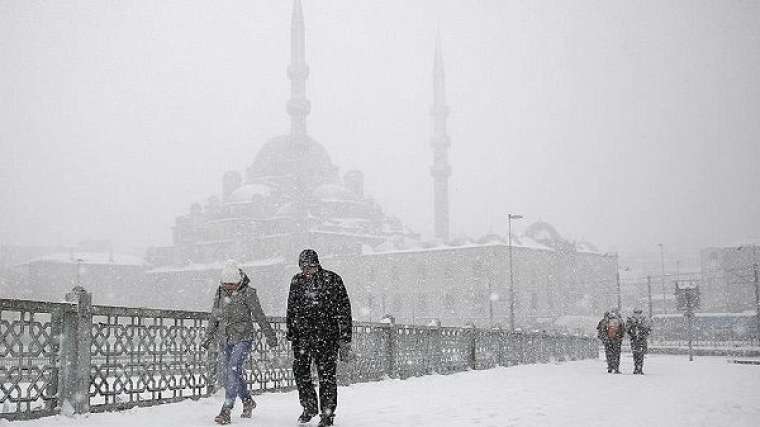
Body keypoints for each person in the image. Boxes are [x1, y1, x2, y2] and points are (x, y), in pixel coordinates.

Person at [201, 260, 278, 425]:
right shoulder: (220, 292)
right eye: (226, 285)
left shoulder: (249, 293)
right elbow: (215, 315)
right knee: (233, 372)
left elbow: (259, 315)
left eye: (232, 285)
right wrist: (208, 336)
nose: (229, 288)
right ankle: (248, 401)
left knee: (233, 368)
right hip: (226, 338)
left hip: (244, 337)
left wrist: (270, 336)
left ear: (239, 282)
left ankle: (226, 410)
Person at [286, 249, 352, 427]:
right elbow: (291, 307)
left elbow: (344, 309)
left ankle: (327, 413)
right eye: (304, 267)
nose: (307, 270)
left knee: (327, 376)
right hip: (302, 337)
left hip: (327, 337)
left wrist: (345, 336)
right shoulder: (296, 281)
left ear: (317, 264)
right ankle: (309, 407)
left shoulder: (332, 279)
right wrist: (291, 330)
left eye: (310, 266)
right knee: (300, 372)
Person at [596, 309, 625, 373]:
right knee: (616, 354)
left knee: (609, 353)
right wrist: (620, 338)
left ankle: (610, 367)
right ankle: (616, 368)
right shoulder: (619, 321)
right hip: (617, 340)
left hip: (607, 340)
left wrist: (604, 339)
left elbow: (600, 330)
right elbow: (623, 330)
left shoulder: (604, 321)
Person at [626, 308, 652, 374]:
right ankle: (640, 368)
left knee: (635, 354)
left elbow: (627, 330)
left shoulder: (631, 319)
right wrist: (644, 335)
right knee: (641, 355)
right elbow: (649, 329)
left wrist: (632, 335)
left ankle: (636, 368)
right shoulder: (644, 319)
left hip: (634, 340)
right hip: (642, 339)